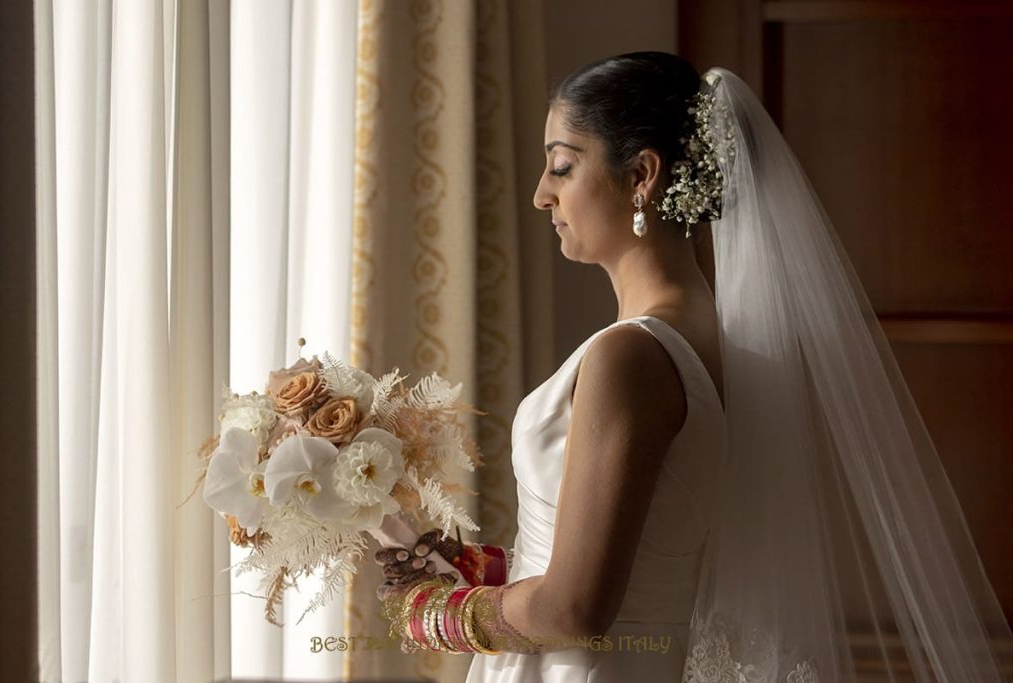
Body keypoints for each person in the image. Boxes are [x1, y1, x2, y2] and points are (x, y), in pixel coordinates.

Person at [376, 52, 1013, 682]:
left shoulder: (630, 356)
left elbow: (575, 608)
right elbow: (636, 551)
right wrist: (469, 565)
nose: (543, 195)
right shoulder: (718, 345)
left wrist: (428, 613)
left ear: (642, 175)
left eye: (563, 167)